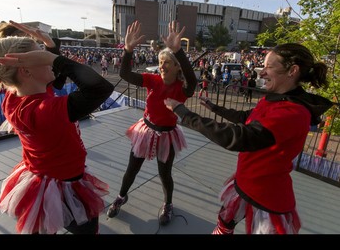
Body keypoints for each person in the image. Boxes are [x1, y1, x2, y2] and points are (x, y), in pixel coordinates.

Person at [164, 43, 333, 234]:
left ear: (292, 71)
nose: (261, 73)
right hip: (247, 182)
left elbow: (240, 138)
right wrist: (215, 108)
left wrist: (184, 113)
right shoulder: (277, 98)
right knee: (225, 222)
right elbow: (248, 118)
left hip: (266, 197)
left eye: (269, 67)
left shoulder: (293, 112)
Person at [0, 35, 114, 234]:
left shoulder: (16, 97)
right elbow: (100, 88)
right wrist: (53, 59)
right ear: (25, 70)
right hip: (67, 184)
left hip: (41, 179)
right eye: (40, 55)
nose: (46, 59)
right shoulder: (42, 110)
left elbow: (51, 79)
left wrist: (51, 47)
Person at [106, 20, 197, 226]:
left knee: (165, 174)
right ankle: (121, 196)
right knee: (132, 169)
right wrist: (128, 50)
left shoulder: (182, 89)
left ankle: (168, 204)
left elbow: (193, 82)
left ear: (176, 66)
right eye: (160, 61)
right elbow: (125, 74)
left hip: (167, 134)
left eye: (167, 62)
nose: (162, 66)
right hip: (146, 130)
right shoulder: (151, 80)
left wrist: (179, 51)